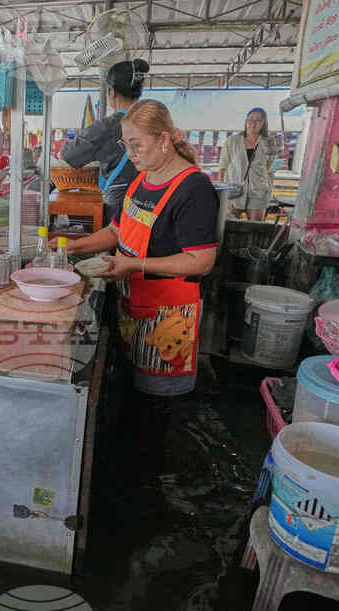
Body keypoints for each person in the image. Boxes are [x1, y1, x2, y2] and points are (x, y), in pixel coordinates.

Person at [56, 100, 219, 482]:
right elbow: (116, 232)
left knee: (155, 409)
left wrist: (134, 265)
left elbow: (201, 260)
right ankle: (130, 470)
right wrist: (69, 246)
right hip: (132, 303)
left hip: (168, 316)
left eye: (136, 145)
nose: (131, 154)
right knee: (131, 393)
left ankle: (149, 486)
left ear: (164, 140)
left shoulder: (193, 188)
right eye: (126, 146)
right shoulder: (141, 180)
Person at [60, 59, 149, 215]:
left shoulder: (108, 126)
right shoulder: (153, 120)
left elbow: (69, 154)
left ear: (112, 92)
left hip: (120, 209)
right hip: (150, 203)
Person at [219, 107, 279, 221]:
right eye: (250, 119)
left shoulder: (268, 143)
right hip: (234, 191)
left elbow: (270, 169)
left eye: (258, 120)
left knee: (256, 228)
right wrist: (222, 194)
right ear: (246, 121)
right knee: (228, 226)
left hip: (258, 192)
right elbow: (222, 167)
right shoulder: (232, 141)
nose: (253, 123)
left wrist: (268, 188)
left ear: (263, 123)